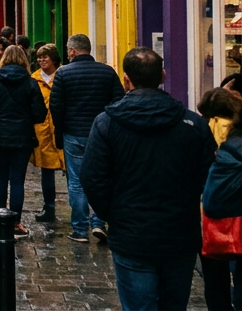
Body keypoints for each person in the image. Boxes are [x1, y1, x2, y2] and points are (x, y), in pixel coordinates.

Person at [82, 48, 215, 311]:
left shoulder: (107, 123)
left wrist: (113, 213)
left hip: (132, 234)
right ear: (162, 75)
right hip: (179, 233)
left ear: (126, 80)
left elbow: (92, 178)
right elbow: (208, 174)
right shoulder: (192, 124)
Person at [51, 33, 125, 243]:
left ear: (72, 51)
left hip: (74, 133)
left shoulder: (63, 73)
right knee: (104, 177)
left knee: (76, 181)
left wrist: (60, 128)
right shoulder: (107, 72)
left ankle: (80, 229)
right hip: (102, 134)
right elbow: (118, 101)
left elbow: (56, 106)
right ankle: (99, 222)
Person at [0, 45, 47, 238]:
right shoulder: (31, 83)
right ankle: (15, 222)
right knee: (17, 180)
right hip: (22, 136)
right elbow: (40, 113)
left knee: (0, 177)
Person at [198, 87, 242, 311]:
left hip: (212, 222)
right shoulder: (237, 132)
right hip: (237, 218)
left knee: (215, 281)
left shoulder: (201, 130)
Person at [28, 44, 64, 222]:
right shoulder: (33, 79)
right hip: (42, 130)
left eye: (45, 57)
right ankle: (49, 207)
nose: (41, 60)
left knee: (72, 172)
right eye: (39, 57)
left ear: (54, 59)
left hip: (62, 129)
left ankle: (80, 210)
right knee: (47, 172)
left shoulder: (63, 76)